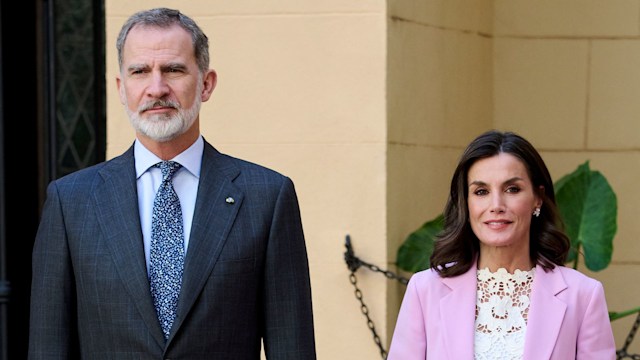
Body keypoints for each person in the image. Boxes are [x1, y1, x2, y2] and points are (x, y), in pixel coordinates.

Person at [28, 7, 316, 359]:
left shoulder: (266, 198)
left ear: (206, 84)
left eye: (174, 70)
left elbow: (292, 346)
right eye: (139, 71)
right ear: (121, 88)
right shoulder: (71, 202)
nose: (156, 88)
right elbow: (47, 347)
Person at [387, 130, 616, 359]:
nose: (496, 204)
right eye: (481, 191)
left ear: (537, 197)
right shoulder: (425, 290)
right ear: (466, 203)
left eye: (512, 189)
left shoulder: (584, 295)